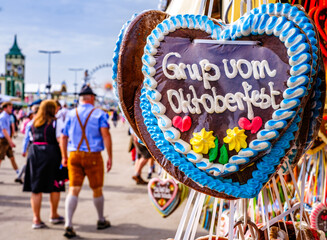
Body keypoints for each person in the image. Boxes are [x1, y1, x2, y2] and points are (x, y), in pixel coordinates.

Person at [60, 84, 113, 239]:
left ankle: (68, 224)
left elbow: (63, 137)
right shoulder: (99, 114)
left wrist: (64, 156)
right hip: (93, 155)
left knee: (73, 189)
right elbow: (106, 136)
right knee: (97, 189)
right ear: (92, 98)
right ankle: (101, 220)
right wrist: (110, 157)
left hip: (74, 154)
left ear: (80, 99)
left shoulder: (70, 114)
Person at [23, 100, 65, 229]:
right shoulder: (56, 122)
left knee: (36, 188)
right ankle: (53, 215)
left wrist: (24, 151)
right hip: (51, 153)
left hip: (34, 153)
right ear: (52, 109)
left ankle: (36, 219)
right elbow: (60, 139)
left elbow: (29, 138)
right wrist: (64, 156)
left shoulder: (32, 122)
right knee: (55, 185)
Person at [0, 101, 22, 183]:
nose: (11, 109)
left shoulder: (8, 116)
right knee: (0, 158)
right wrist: (10, 141)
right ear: (5, 108)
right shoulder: (3, 117)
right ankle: (18, 174)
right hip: (3, 140)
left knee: (12, 157)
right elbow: (4, 130)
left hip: (6, 139)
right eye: (10, 107)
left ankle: (18, 174)